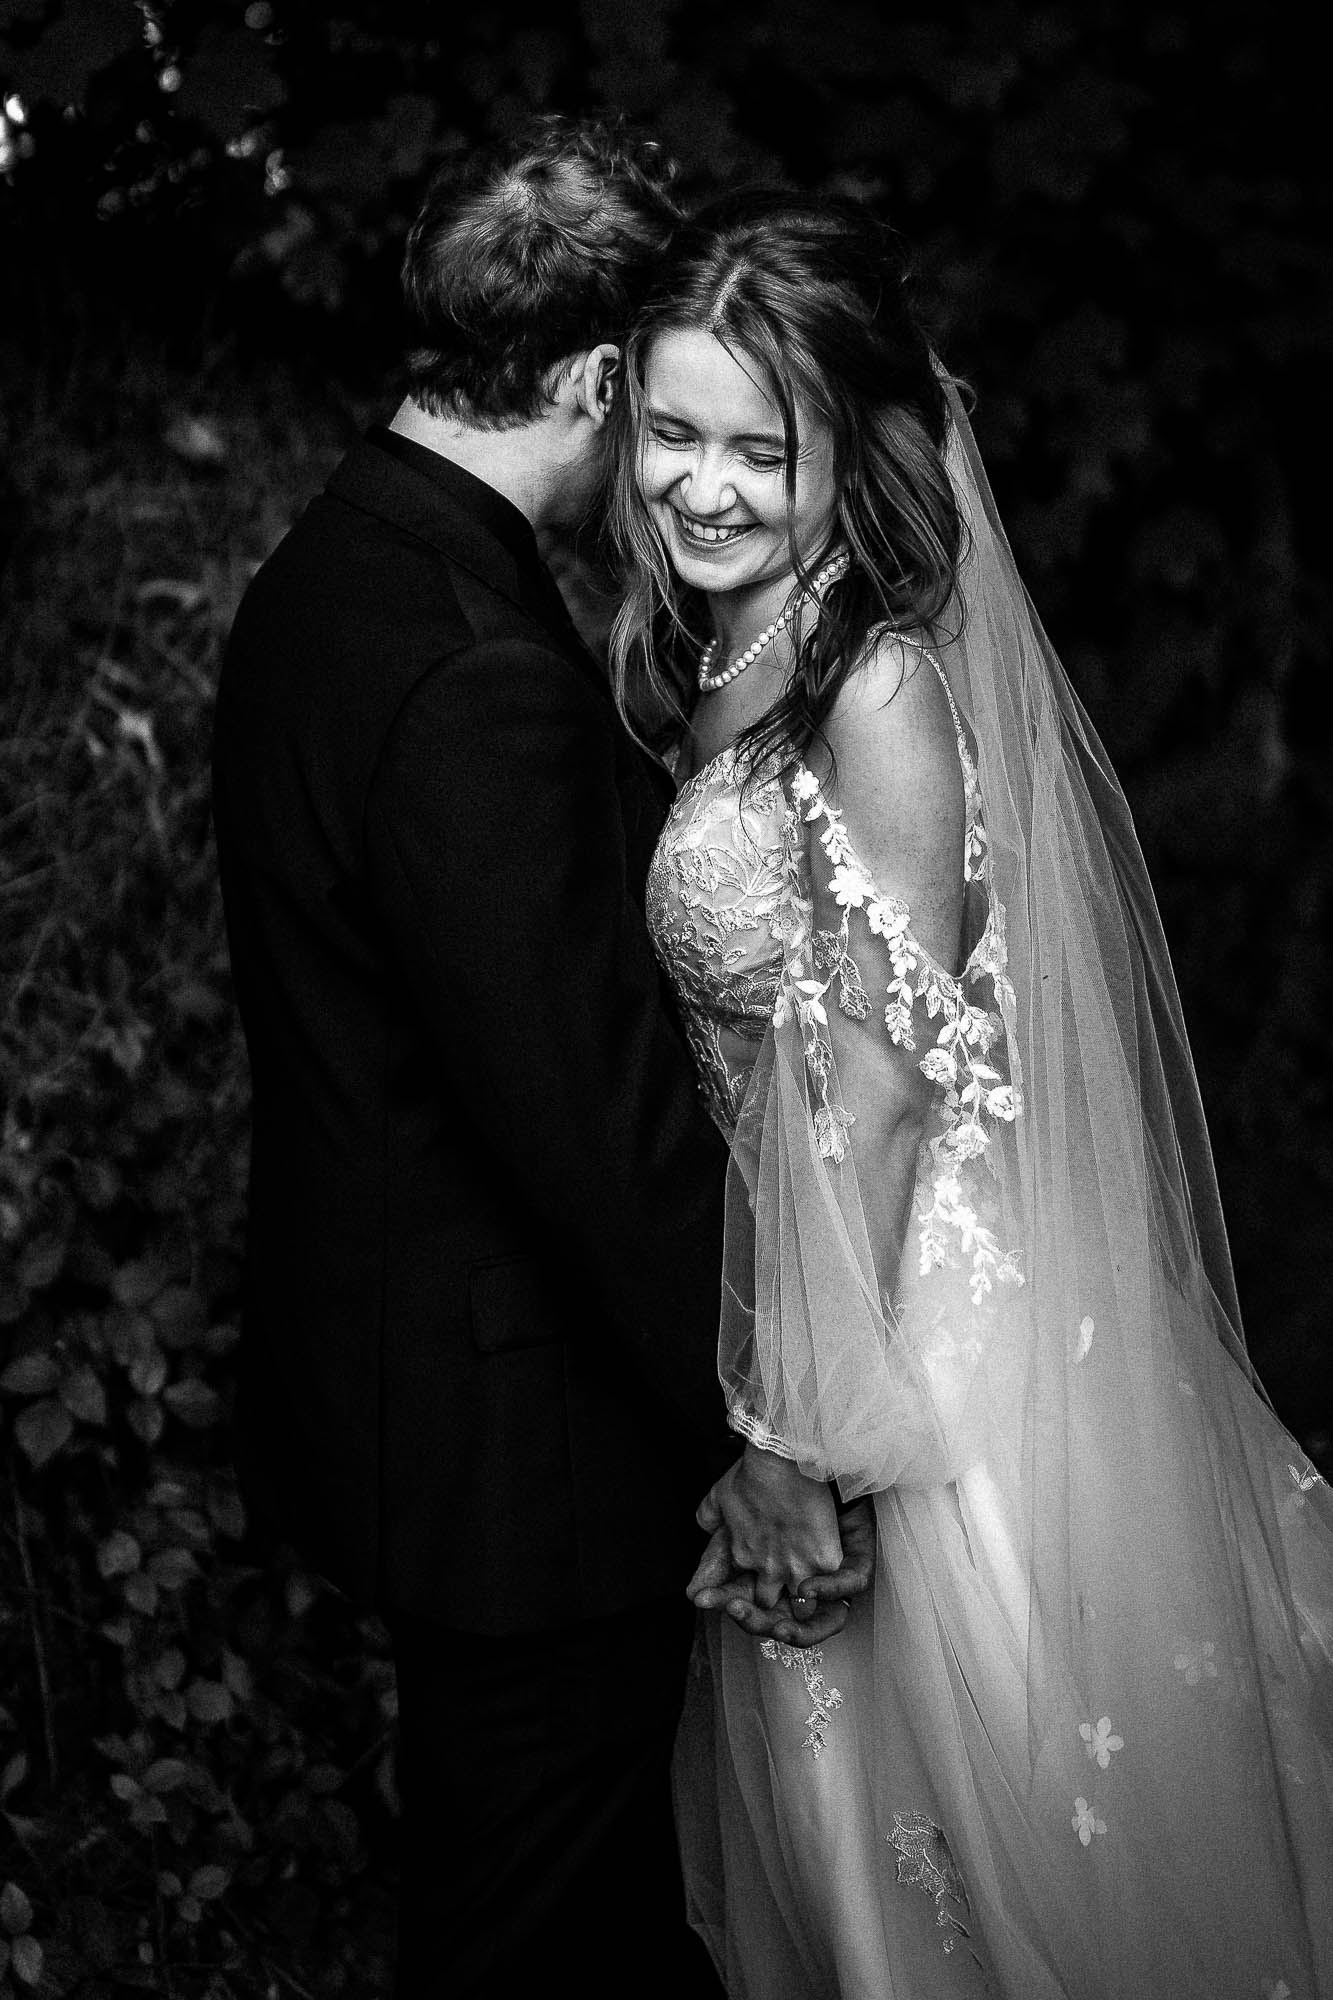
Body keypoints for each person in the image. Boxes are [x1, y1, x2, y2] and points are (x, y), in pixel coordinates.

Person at [606, 187, 1333, 1999]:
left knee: (994, 1836)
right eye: (668, 431)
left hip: (921, 1337)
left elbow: (876, 1090)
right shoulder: (727, 653)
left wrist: (795, 1444)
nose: (697, 486)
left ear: (848, 445)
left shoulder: (879, 692)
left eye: (754, 451)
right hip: (809, 1290)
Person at [210, 119, 867, 1998]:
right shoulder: (473, 671)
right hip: (519, 1446)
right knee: (531, 1938)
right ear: (593, 377)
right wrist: (766, 1421)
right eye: (650, 410)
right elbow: (589, 1123)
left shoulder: (326, 572)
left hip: (406, 1377)